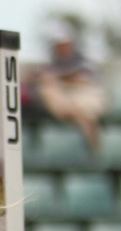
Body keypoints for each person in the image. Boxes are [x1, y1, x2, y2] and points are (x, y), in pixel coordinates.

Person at [34, 22, 108, 153]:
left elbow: (82, 78)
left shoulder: (83, 62)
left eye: (65, 45)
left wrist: (62, 79)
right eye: (59, 45)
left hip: (83, 100)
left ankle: (94, 148)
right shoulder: (51, 65)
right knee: (49, 88)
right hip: (67, 103)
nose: (63, 49)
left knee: (85, 110)